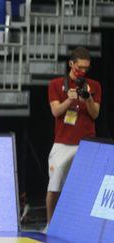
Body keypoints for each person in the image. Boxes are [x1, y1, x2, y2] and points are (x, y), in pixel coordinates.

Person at [45, 47, 101, 229]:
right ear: (71, 64)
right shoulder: (56, 84)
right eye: (80, 67)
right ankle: (50, 224)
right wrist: (69, 100)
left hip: (87, 143)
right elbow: (55, 111)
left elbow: (95, 114)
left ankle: (81, 225)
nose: (83, 72)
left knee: (85, 186)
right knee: (54, 185)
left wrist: (88, 99)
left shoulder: (94, 86)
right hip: (63, 142)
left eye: (86, 68)